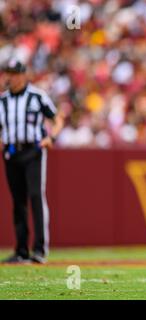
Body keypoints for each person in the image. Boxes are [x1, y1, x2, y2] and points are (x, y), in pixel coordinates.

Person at [0, 60, 64, 264]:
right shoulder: (2, 101)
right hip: (11, 152)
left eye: (15, 73)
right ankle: (21, 251)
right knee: (18, 201)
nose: (11, 77)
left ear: (23, 75)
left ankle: (39, 249)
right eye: (8, 73)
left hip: (33, 151)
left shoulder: (37, 96)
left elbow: (57, 118)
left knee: (35, 196)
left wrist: (51, 138)